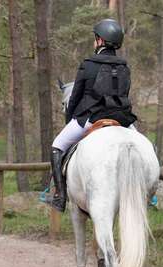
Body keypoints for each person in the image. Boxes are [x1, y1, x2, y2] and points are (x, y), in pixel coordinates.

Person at [50, 19, 137, 212]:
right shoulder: (124, 66)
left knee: (57, 146)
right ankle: (149, 196)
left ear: (100, 40)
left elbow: (75, 97)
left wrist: (71, 118)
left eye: (95, 38)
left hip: (91, 118)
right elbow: (124, 94)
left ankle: (59, 196)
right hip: (122, 120)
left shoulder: (88, 64)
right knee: (143, 146)